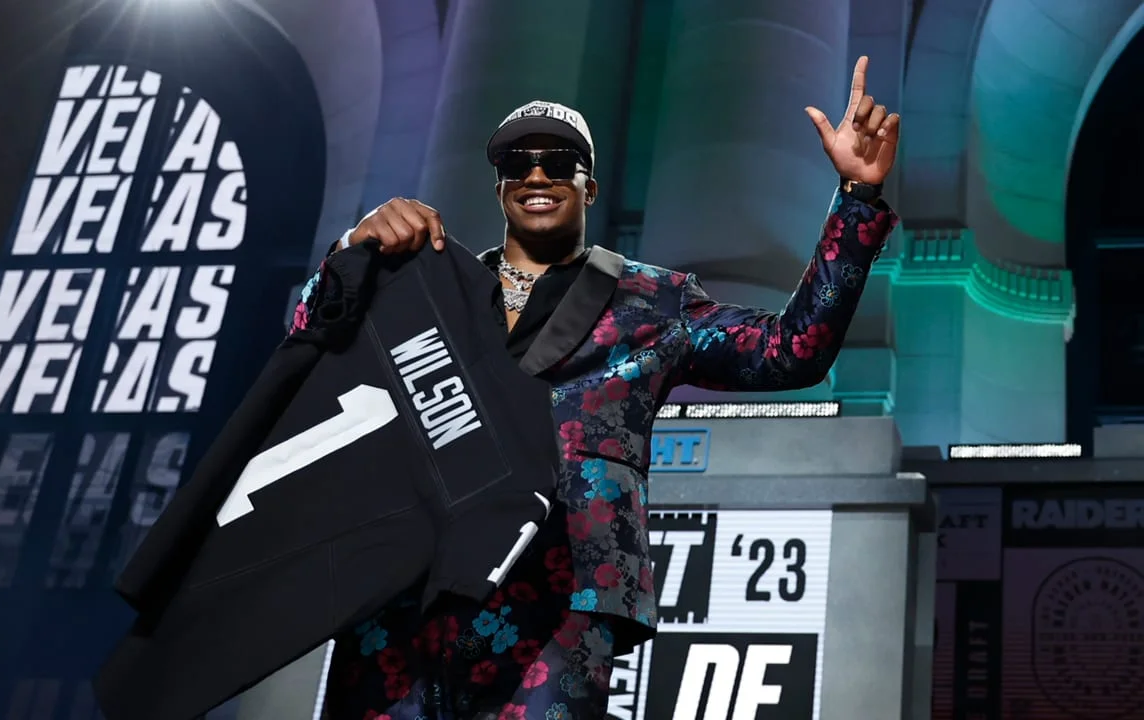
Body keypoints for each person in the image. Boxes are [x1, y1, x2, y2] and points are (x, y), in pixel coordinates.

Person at [307, 56, 901, 719]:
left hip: (557, 604)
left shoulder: (654, 302)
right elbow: (313, 347)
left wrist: (857, 198)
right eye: (519, 162)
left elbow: (791, 352)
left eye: (558, 162)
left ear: (588, 188)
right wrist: (350, 251)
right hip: (408, 592)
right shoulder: (434, 295)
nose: (537, 175)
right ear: (500, 187)